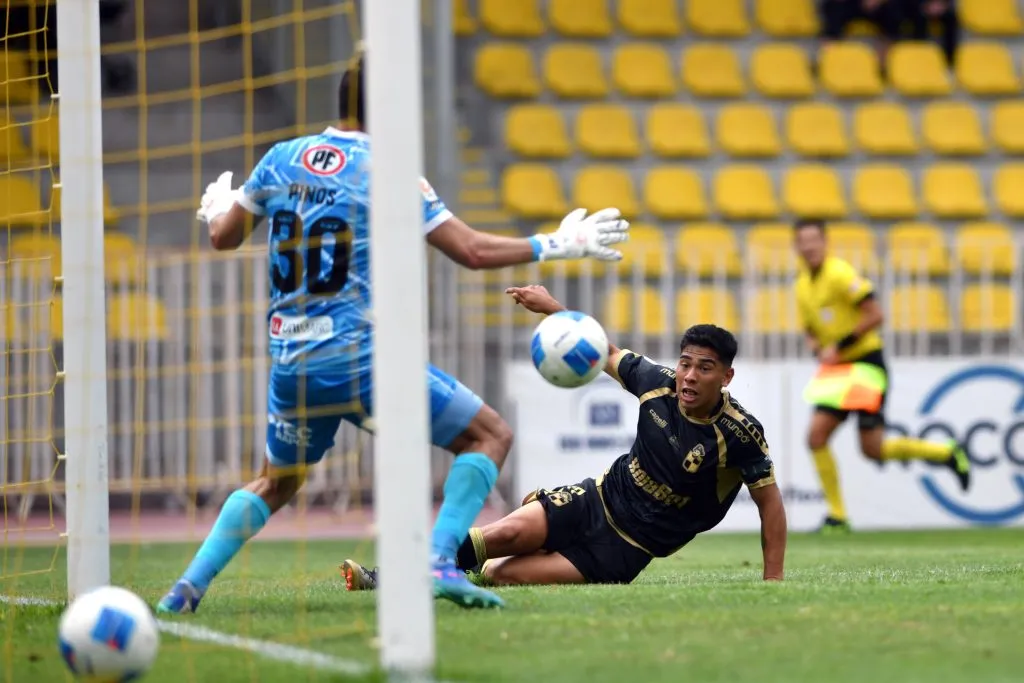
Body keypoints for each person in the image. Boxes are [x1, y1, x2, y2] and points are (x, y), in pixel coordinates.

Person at [156, 55, 630, 613]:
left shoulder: (281, 158)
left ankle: (185, 589)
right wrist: (553, 244)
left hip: (292, 363)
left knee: (275, 483)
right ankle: (436, 565)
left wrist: (216, 209)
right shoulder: (387, 169)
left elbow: (223, 238)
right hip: (360, 359)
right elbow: (472, 252)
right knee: (488, 436)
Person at [341, 284, 788, 589]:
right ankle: (388, 579)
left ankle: (481, 560)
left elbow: (770, 505)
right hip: (596, 499)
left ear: (726, 377)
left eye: (704, 369)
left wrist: (772, 584)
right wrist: (554, 307)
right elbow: (606, 352)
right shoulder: (656, 382)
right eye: (686, 363)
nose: (689, 376)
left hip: (627, 550)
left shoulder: (741, 434)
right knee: (504, 533)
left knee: (500, 575)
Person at [792, 218, 970, 534]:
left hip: (865, 365)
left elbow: (876, 314)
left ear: (825, 242)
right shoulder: (802, 284)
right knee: (818, 438)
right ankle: (837, 516)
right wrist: (817, 347)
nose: (808, 246)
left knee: (870, 448)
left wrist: (841, 344)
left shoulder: (840, 273)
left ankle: (945, 453)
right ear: (796, 246)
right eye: (802, 241)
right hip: (838, 370)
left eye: (813, 239)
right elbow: (809, 327)